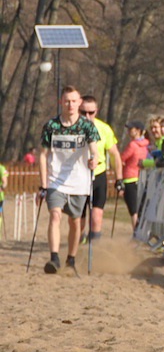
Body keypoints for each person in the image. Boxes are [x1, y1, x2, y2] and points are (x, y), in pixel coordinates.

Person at [37, 85, 101, 273]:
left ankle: (71, 259)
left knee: (75, 221)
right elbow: (43, 155)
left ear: (79, 102)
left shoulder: (87, 126)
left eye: (73, 101)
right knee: (55, 215)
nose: (70, 105)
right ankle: (54, 258)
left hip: (79, 181)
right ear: (61, 102)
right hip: (56, 180)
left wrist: (94, 160)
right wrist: (43, 184)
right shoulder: (51, 126)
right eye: (67, 101)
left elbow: (95, 150)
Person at [81, 95, 123, 242]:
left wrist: (119, 178)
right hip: (79, 175)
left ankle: (95, 245)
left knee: (97, 214)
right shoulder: (73, 128)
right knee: (79, 217)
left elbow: (114, 154)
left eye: (91, 113)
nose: (87, 116)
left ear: (96, 111)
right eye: (83, 112)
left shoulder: (104, 128)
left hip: (98, 174)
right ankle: (77, 243)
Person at [118, 120, 149, 229]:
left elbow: (122, 158)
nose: (128, 131)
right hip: (141, 177)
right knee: (140, 207)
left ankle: (136, 230)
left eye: (131, 129)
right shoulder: (146, 145)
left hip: (129, 178)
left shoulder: (133, 145)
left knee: (133, 209)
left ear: (138, 131)